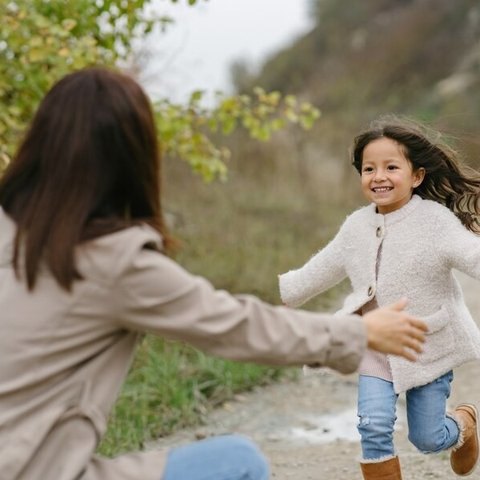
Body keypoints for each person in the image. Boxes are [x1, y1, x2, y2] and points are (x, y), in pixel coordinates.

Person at [0, 68, 427, 480]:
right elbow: (234, 326)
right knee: (237, 463)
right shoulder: (111, 261)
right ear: (133, 158)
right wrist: (359, 334)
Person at [279, 116, 480, 479]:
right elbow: (324, 266)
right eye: (369, 168)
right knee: (373, 425)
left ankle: (464, 424)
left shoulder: (435, 221)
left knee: (428, 438)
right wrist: (287, 294)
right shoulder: (356, 225)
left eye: (391, 167)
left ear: (416, 176)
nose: (379, 176)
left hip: (424, 344)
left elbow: (472, 254)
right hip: (373, 343)